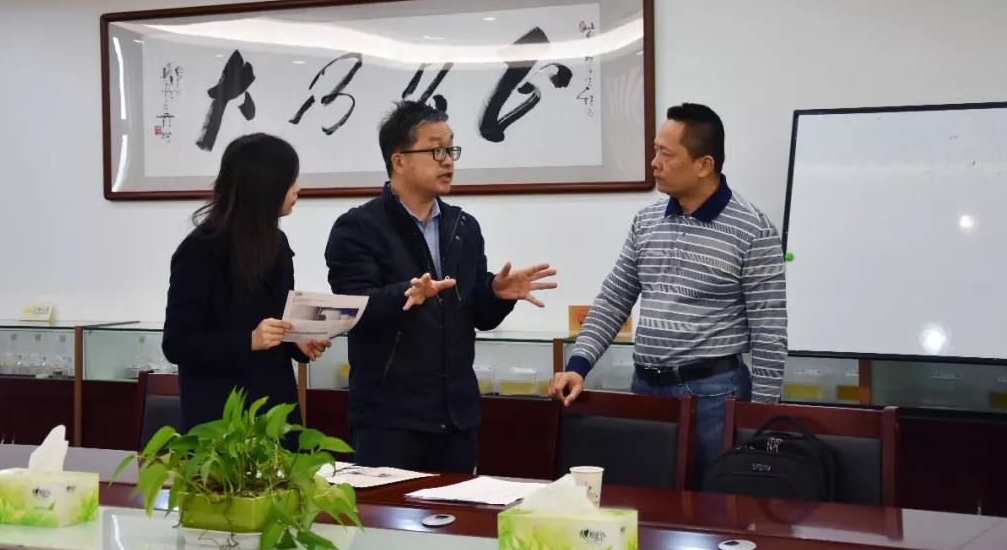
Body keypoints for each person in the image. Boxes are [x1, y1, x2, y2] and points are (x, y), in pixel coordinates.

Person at [549, 103, 787, 484]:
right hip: (645, 387)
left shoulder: (753, 230)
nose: (654, 163)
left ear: (704, 165)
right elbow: (614, 298)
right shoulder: (646, 221)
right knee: (645, 500)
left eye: (665, 153)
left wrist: (761, 418)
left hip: (715, 395)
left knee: (714, 504)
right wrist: (578, 366)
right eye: (654, 150)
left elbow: (769, 332)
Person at [325, 101, 557, 472]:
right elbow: (353, 309)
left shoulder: (463, 226)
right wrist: (407, 294)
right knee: (386, 511)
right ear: (399, 160)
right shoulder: (357, 228)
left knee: (458, 509)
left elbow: (478, 316)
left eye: (451, 150)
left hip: (457, 418)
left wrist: (496, 294)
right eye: (436, 151)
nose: (448, 161)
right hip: (390, 420)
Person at [163, 133, 330, 433]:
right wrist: (248, 340)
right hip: (221, 420)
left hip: (276, 410)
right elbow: (177, 344)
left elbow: (278, 318)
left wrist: (298, 340)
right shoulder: (199, 250)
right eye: (290, 179)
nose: (298, 188)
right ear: (263, 185)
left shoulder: (277, 243)